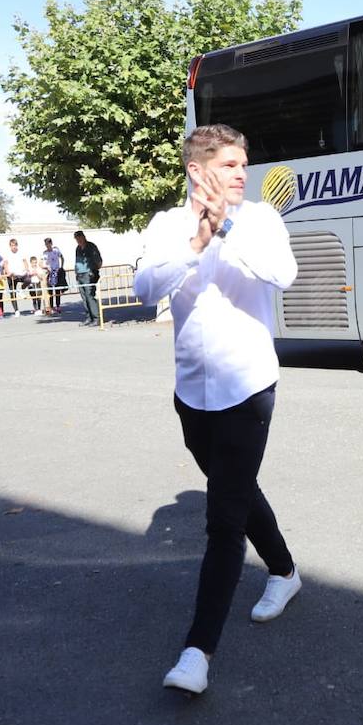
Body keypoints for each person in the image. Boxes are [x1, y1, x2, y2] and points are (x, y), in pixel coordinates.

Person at [135, 123, 300, 696]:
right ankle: (284, 570)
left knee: (223, 520)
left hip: (249, 387)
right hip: (191, 393)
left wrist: (226, 228)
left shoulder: (259, 220)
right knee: (238, 490)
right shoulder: (167, 227)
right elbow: (143, 289)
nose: (241, 173)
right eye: (229, 164)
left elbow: (285, 273)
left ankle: (196, 652)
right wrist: (196, 245)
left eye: (242, 163)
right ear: (196, 171)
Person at [72, 230, 102, 326]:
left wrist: (93, 271)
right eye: (76, 238)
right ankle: (89, 317)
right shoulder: (78, 248)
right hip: (80, 275)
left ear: (83, 237)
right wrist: (76, 272)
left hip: (89, 274)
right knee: (84, 298)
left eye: (79, 237)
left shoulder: (91, 246)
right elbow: (77, 262)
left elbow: (99, 261)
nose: (78, 240)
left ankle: (96, 318)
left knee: (90, 296)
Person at [3, 238, 29, 317]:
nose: (13, 247)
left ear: (17, 245)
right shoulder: (7, 254)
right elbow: (5, 264)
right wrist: (9, 273)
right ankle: (16, 310)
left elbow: (25, 262)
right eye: (12, 245)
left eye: (15, 245)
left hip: (21, 274)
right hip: (12, 275)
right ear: (10, 246)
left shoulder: (21, 252)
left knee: (28, 280)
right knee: (12, 293)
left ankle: (21, 289)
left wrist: (27, 269)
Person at [43, 237, 65, 314]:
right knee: (50, 291)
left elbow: (62, 257)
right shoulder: (45, 253)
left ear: (51, 243)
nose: (47, 246)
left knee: (57, 290)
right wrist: (46, 267)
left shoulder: (56, 250)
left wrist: (61, 267)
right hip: (50, 273)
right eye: (46, 244)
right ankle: (51, 307)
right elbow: (42, 263)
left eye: (49, 244)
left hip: (57, 271)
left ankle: (58, 306)